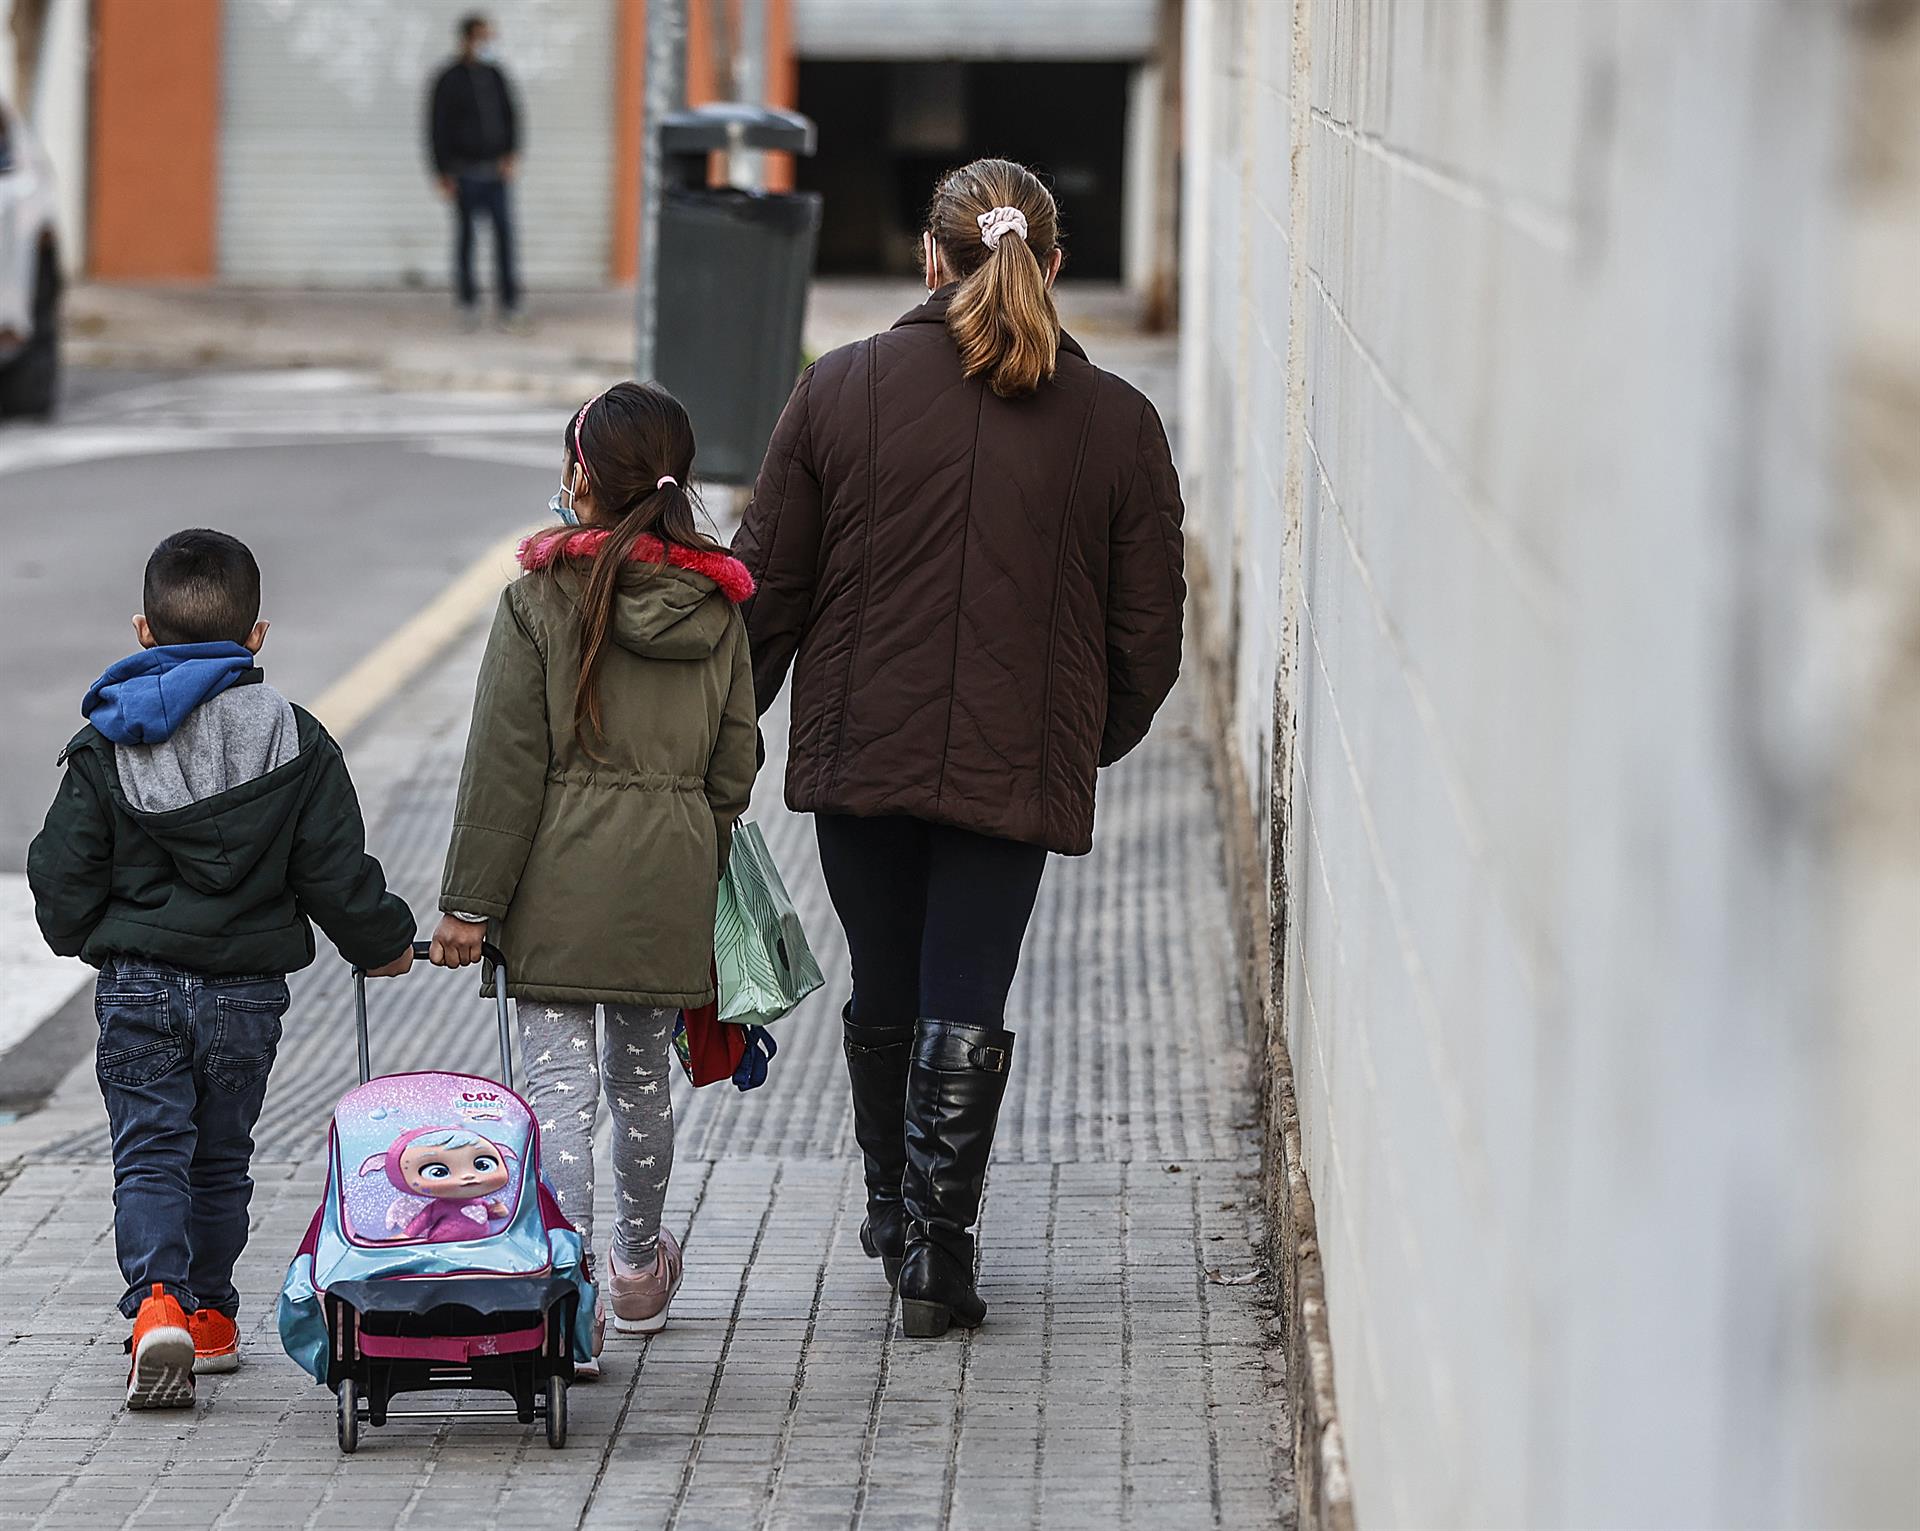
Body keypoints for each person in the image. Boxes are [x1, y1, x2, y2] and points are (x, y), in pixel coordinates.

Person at [734, 158, 1187, 1338]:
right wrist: (1074, 741)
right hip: (1012, 763)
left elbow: (765, 594)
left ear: (929, 259)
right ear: (1055, 262)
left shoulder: (838, 390)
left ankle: (894, 1210)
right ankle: (938, 1247)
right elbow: (1150, 638)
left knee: (884, 983)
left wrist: (721, 737)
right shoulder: (1119, 422)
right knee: (966, 995)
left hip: (859, 755)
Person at [26, 529, 416, 1410]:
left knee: (150, 1151)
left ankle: (156, 1302)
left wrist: (95, 932)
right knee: (220, 1157)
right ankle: (209, 1318)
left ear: (143, 630)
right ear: (257, 636)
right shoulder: (297, 740)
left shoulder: (107, 743)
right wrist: (384, 943)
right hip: (245, 992)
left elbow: (60, 875)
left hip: (138, 982)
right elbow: (335, 871)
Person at [429, 383, 758, 1373]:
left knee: (558, 1089)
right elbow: (735, 770)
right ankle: (638, 1269)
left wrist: (468, 905)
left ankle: (566, 1296)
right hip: (670, 875)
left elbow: (502, 767)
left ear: (580, 476)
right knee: (640, 1076)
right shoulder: (719, 605)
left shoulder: (536, 601)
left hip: (557, 880)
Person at [427, 12, 522, 328]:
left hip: (495, 173)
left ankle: (509, 305)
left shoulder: (496, 76)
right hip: (465, 173)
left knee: (504, 240)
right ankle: (468, 303)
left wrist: (511, 154)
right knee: (467, 241)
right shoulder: (449, 79)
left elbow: (512, 116)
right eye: (482, 38)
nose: (487, 44)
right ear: (467, 40)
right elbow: (437, 128)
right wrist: (442, 172)